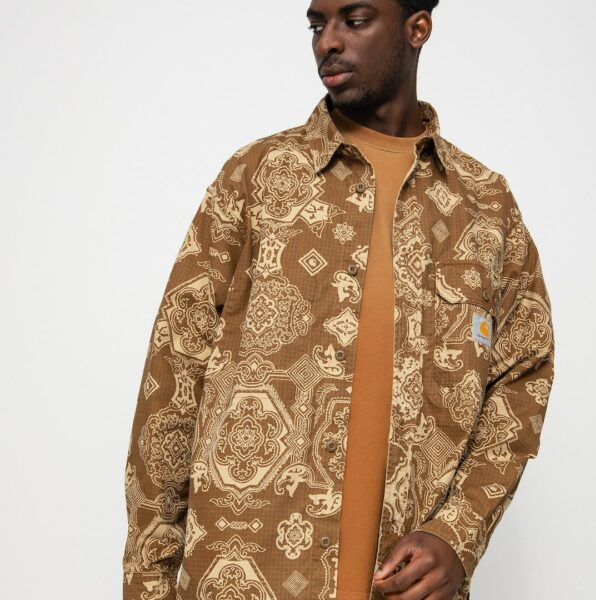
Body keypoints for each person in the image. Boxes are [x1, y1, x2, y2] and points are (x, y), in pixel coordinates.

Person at [121, 1, 555, 599]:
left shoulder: (485, 206)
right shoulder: (257, 178)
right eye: (316, 24)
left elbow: (522, 375)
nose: (327, 41)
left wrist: (458, 533)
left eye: (353, 20)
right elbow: (172, 380)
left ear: (417, 28)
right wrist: (148, 583)